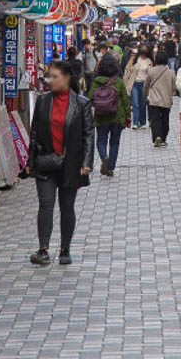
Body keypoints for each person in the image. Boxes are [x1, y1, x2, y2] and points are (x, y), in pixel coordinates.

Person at [26, 60, 94, 266]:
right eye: (49, 76)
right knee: (46, 205)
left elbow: (88, 134)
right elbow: (35, 132)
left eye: (55, 77)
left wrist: (86, 162)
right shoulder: (43, 100)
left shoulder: (81, 103)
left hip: (71, 163)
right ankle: (43, 249)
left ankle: (65, 249)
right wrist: (30, 161)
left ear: (67, 78)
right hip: (46, 160)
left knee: (67, 206)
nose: (50, 81)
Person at [88, 52, 129, 176]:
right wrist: (128, 115)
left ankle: (104, 157)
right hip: (117, 116)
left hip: (101, 116)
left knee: (101, 140)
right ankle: (110, 167)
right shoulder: (118, 81)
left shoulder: (96, 81)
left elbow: (89, 97)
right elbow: (126, 100)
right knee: (114, 142)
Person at [145, 50, 176, 147]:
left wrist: (146, 94)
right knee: (165, 120)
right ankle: (163, 138)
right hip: (166, 100)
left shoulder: (151, 71)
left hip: (154, 99)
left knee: (155, 120)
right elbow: (174, 87)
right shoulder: (171, 72)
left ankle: (157, 137)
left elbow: (146, 85)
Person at [123, 44, 153, 130]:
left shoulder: (149, 61)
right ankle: (135, 122)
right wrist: (126, 81)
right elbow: (127, 70)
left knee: (143, 104)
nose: (143, 54)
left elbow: (151, 74)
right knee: (135, 103)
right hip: (134, 83)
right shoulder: (133, 59)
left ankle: (143, 122)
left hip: (144, 84)